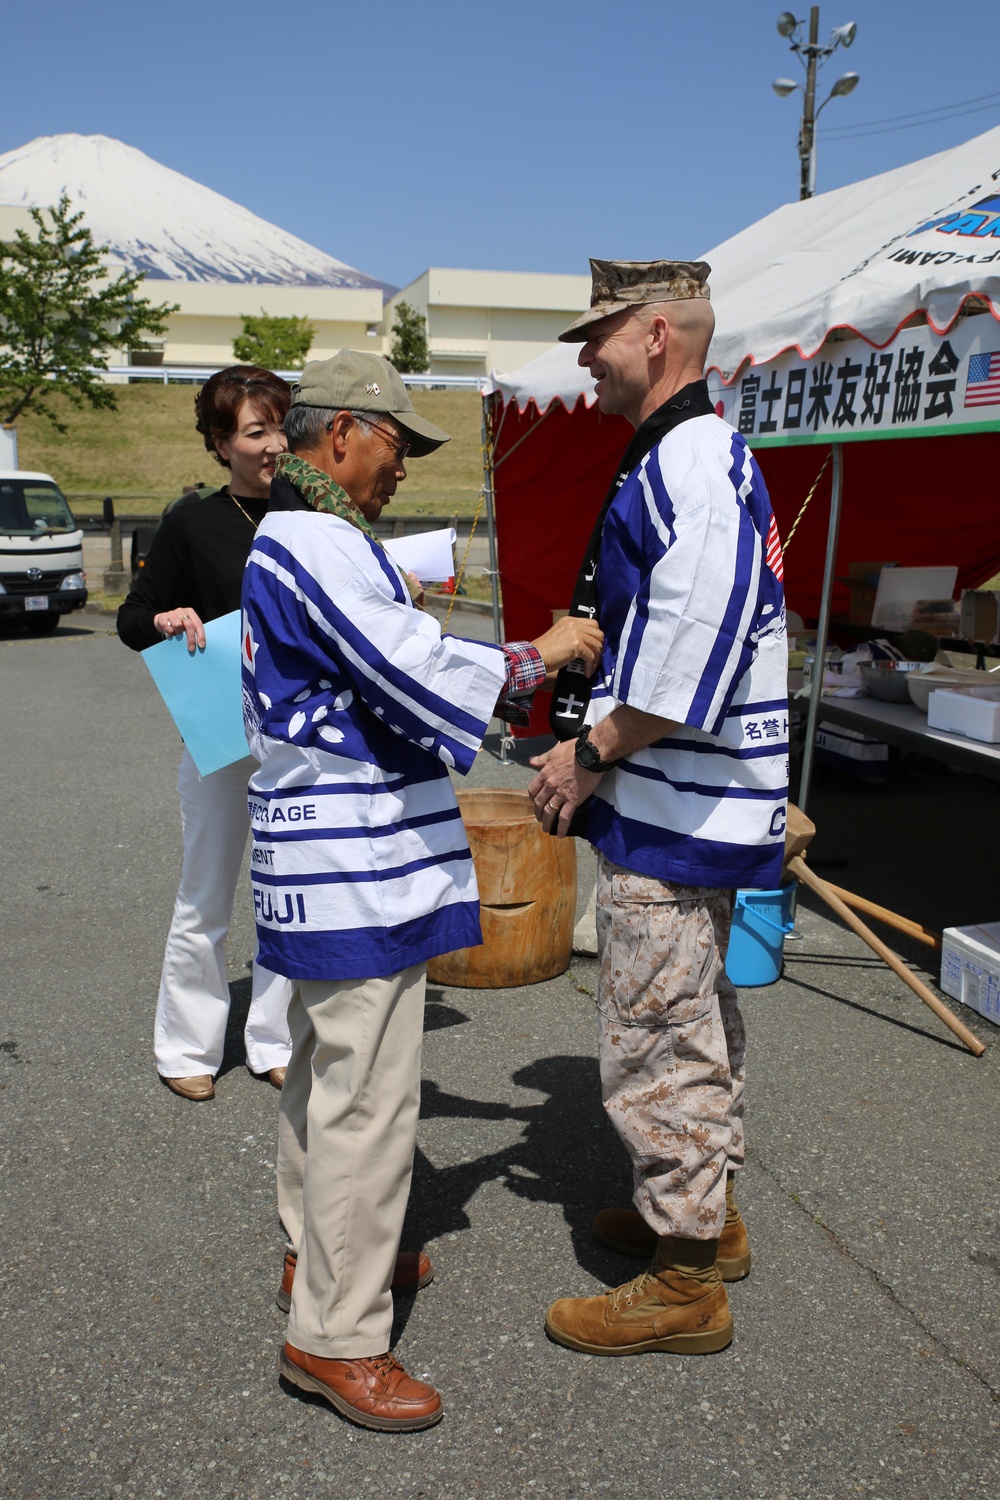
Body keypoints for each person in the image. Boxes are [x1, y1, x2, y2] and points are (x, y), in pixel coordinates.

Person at [240, 350, 603, 1431]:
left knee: (324, 1079)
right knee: (368, 1096)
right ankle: (334, 1338)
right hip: (350, 861)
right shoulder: (312, 540)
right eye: (397, 445)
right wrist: (535, 656)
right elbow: (403, 661)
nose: (401, 469)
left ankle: (320, 1260)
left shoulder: (303, 536)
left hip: (327, 855)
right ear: (341, 432)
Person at [527, 259, 788, 1357]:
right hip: (693, 802)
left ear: (653, 333)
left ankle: (682, 1283)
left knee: (655, 1034)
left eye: (597, 335)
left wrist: (585, 753)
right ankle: (702, 1220)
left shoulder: (691, 456)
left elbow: (699, 644)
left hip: (675, 807)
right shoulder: (687, 454)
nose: (584, 357)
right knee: (693, 1022)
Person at [117, 365, 295, 1102]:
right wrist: (166, 619)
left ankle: (275, 1038)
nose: (275, 445)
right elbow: (133, 618)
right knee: (207, 894)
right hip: (220, 736)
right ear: (220, 443)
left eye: (281, 426)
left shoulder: (308, 510)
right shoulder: (192, 521)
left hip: (297, 736)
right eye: (256, 432)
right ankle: (186, 1046)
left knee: (290, 893)